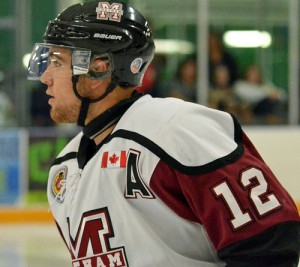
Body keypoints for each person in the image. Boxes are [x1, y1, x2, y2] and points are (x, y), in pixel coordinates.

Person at [27, 1, 300, 266]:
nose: (45, 76)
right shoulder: (64, 168)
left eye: (57, 62)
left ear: (100, 68)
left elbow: (269, 242)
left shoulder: (175, 130)